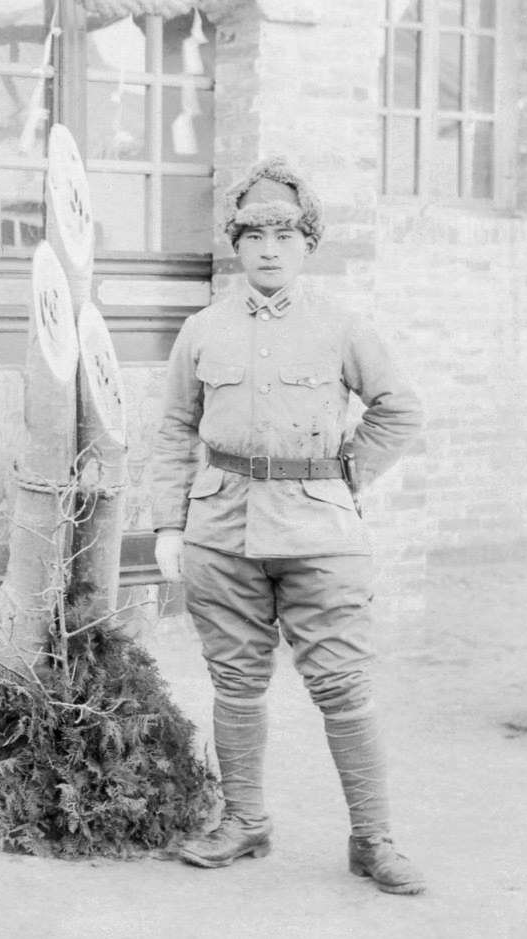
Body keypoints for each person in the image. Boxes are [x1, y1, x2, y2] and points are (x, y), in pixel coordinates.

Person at [151, 156, 425, 895]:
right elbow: (176, 426)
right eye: (253, 233)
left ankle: (373, 838)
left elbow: (399, 411)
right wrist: (169, 526)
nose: (268, 247)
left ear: (308, 243)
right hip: (221, 531)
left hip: (321, 539)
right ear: (236, 245)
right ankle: (245, 821)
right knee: (235, 683)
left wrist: (345, 479)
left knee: (343, 685)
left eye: (285, 232)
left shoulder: (342, 328)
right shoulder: (201, 330)